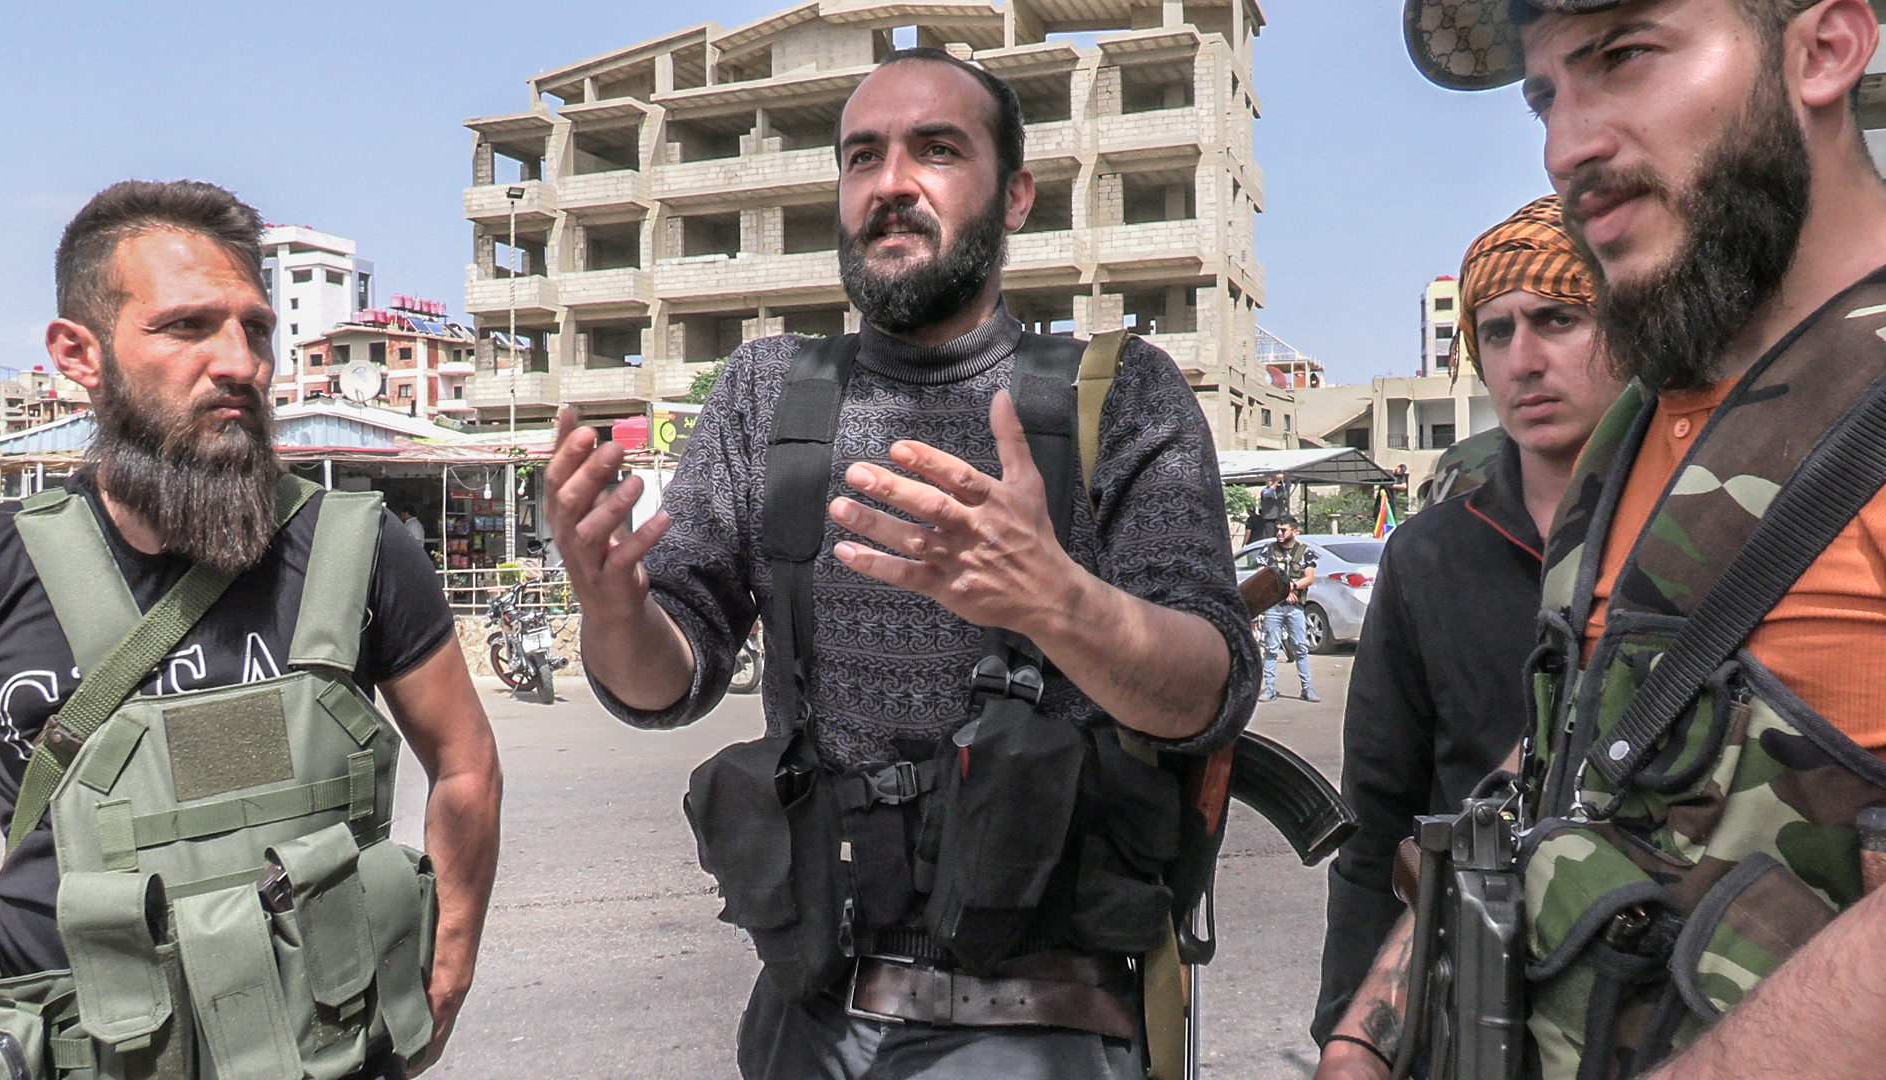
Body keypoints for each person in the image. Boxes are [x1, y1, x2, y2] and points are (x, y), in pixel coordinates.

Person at [544, 47, 1256, 1080]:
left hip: (1047, 1029)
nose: (891, 182)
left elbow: (1210, 691)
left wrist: (1057, 602)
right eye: (861, 156)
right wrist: (612, 605)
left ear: (1016, 195)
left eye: (937, 150)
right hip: (811, 1019)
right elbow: (668, 681)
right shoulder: (765, 393)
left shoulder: (1124, 395)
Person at [1322, 1, 1886, 1077]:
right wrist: (1369, 1032)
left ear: (1824, 49)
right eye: (1545, 95)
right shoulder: (1632, 429)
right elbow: (1579, 756)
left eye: (1624, 56)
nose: (1565, 146)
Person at [0, 180, 503, 1078]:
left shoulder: (361, 549)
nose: (240, 362)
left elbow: (465, 764)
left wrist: (445, 971)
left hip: (327, 1048)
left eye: (255, 329)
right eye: (186, 326)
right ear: (78, 353)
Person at [1311, 195, 1625, 1062]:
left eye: (1558, 319)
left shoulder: (1690, 538)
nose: (1524, 359)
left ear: (1627, 328)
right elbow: (1375, 822)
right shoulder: (1430, 556)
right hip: (1473, 1001)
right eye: (1496, 331)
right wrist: (1349, 1034)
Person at [1256, 516, 1320, 703]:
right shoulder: (1268, 551)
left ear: (1295, 531)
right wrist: (1283, 593)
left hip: (1295, 607)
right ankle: (1269, 688)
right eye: (1277, 529)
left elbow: (1309, 578)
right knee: (1271, 648)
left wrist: (1291, 587)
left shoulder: (1305, 552)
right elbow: (1262, 577)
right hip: (1273, 606)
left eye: (1283, 530)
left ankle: (1307, 688)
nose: (1279, 533)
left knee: (1300, 647)